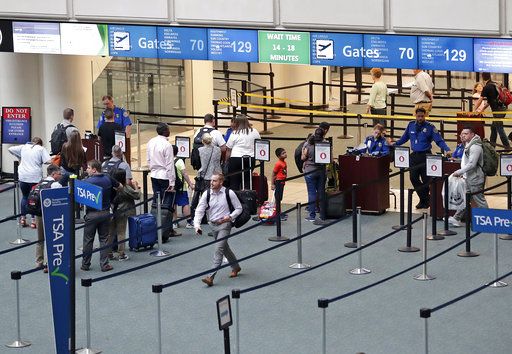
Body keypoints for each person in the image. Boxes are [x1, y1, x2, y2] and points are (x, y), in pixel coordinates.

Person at [394, 107, 451, 209]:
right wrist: (394, 144)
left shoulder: (430, 127)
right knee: (413, 178)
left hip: (425, 156)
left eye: (422, 116)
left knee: (426, 180)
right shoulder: (411, 125)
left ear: (425, 115)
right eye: (418, 116)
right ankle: (425, 198)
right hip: (414, 156)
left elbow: (439, 140)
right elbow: (404, 138)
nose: (420, 118)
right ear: (415, 115)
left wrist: (447, 149)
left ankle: (423, 201)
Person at [194, 172, 242, 287]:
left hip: (225, 225)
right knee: (225, 248)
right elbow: (200, 209)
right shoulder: (207, 194)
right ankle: (236, 267)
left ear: (221, 182)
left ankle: (210, 277)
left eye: (214, 181)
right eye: (211, 181)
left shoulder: (229, 193)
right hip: (213, 225)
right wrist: (197, 225)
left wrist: (229, 217)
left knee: (219, 249)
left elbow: (239, 208)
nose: (211, 183)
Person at [81, 160, 120, 272]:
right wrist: (112, 198)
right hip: (105, 213)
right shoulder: (108, 178)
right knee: (104, 239)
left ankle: (85, 264)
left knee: (88, 240)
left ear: (94, 169)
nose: (86, 169)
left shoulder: (86, 181)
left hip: (91, 214)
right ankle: (105, 264)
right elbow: (120, 186)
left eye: (88, 167)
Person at [8, 137, 51, 228]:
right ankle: (33, 221)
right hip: (35, 177)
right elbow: (48, 161)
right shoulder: (41, 149)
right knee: (34, 198)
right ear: (40, 143)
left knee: (24, 197)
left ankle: (23, 218)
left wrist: (19, 156)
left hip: (23, 177)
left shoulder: (24, 147)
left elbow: (10, 149)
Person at [449, 127, 488, 227]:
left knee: (479, 200)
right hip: (468, 177)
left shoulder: (475, 146)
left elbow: (472, 164)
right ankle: (456, 218)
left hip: (475, 178)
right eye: (462, 134)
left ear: (472, 134)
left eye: (466, 133)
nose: (463, 135)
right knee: (465, 198)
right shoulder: (468, 144)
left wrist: (459, 172)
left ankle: (489, 219)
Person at [146, 123, 179, 237]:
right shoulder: (167, 145)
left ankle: (155, 227)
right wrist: (172, 182)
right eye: (168, 129)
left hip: (154, 174)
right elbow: (170, 165)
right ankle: (166, 230)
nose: (169, 131)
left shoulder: (151, 142)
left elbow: (148, 159)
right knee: (167, 205)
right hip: (165, 176)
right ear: (165, 131)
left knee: (156, 201)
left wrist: (152, 169)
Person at [35, 164, 63, 272]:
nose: (60, 176)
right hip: (50, 214)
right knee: (50, 239)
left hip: (38, 214)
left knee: (40, 239)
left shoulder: (40, 182)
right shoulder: (55, 184)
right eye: (59, 174)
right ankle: (48, 264)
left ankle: (39, 262)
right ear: (54, 174)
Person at [109, 169, 140, 260]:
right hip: (122, 212)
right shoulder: (125, 187)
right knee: (121, 232)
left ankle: (108, 253)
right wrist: (136, 186)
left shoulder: (110, 185)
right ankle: (121, 253)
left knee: (110, 233)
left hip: (111, 210)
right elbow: (137, 196)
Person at [473, 72, 510, 148]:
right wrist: (482, 109)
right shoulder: (495, 84)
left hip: (498, 110)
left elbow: (480, 100)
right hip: (503, 108)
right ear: (490, 76)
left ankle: (507, 147)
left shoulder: (486, 87)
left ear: (482, 78)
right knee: (493, 127)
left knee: (500, 128)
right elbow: (490, 101)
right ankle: (492, 147)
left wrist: (474, 109)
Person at [225, 115, 261, 190]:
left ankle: (234, 198)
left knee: (234, 181)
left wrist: (226, 161)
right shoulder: (254, 131)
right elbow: (259, 144)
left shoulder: (234, 133)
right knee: (247, 179)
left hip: (236, 158)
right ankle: (247, 198)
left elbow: (228, 149)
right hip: (250, 158)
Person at [301, 128, 328, 224]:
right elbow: (330, 159)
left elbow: (303, 158)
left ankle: (312, 215)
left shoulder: (308, 144)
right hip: (321, 171)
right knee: (321, 192)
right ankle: (322, 215)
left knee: (311, 193)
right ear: (323, 135)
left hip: (309, 171)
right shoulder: (326, 144)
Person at [172, 145, 194, 229]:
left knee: (173, 204)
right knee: (185, 203)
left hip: (171, 186)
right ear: (177, 152)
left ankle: (174, 222)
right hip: (181, 186)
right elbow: (184, 173)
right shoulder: (179, 161)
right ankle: (189, 222)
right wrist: (190, 184)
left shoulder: (167, 161)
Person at [272, 148, 288, 221]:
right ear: (279, 156)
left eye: (285, 152)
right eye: (283, 153)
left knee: (279, 198)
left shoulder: (284, 162)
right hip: (278, 182)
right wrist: (272, 184)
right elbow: (273, 174)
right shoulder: (278, 164)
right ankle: (277, 214)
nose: (285, 154)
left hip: (282, 182)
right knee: (278, 198)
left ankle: (279, 211)